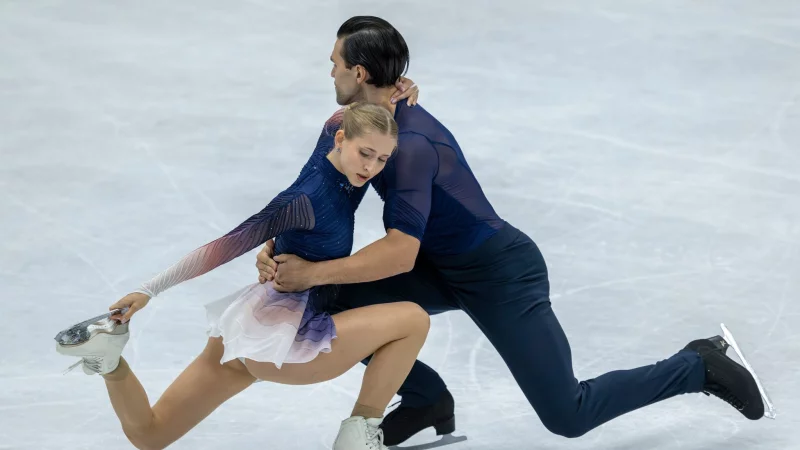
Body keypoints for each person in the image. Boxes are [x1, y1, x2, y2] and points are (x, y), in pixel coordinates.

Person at [256, 15, 775, 446]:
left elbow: (398, 255)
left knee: (568, 413)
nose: (330, 71)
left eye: (335, 63)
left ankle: (697, 364)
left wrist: (314, 272)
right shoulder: (368, 125)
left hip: (498, 272)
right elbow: (319, 192)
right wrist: (279, 247)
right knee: (334, 309)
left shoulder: (409, 144)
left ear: (360, 71)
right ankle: (425, 399)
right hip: (438, 265)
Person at [55, 99, 434, 450]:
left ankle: (110, 362)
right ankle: (358, 437)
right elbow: (226, 245)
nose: (370, 168)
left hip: (246, 329)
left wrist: (400, 91)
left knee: (149, 435)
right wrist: (148, 290)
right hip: (287, 338)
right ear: (340, 140)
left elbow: (351, 108)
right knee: (413, 320)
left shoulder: (339, 147)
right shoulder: (304, 198)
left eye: (382, 159)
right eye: (365, 154)